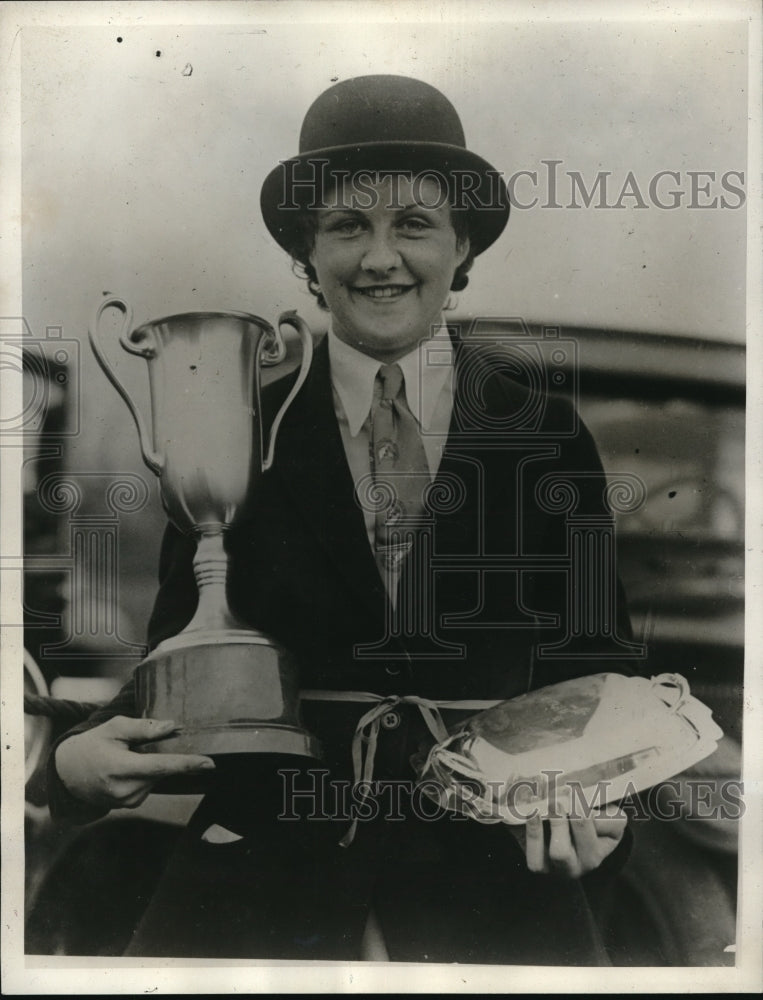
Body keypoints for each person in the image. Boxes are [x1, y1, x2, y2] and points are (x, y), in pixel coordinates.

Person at [48, 75, 639, 964]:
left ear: (462, 243)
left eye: (412, 225)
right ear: (305, 253)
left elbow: (598, 667)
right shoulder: (238, 422)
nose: (379, 258)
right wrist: (70, 766)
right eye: (346, 226)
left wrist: (604, 814)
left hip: (490, 884)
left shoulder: (543, 431)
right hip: (263, 884)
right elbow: (179, 658)